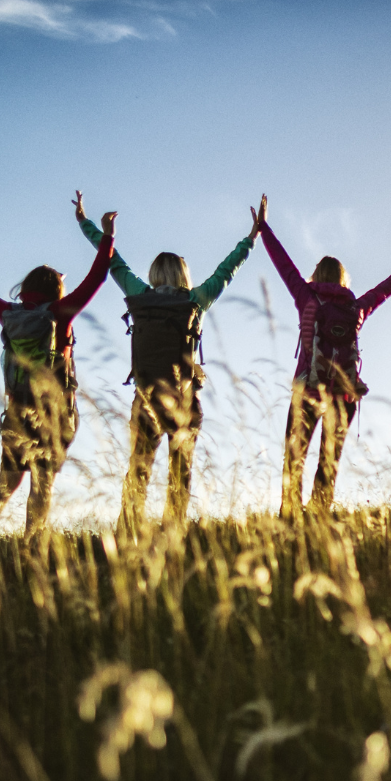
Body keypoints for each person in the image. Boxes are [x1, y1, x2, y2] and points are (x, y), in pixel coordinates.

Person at [74, 191, 261, 533]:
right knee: (180, 471)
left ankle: (127, 530)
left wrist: (90, 226)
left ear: (155, 273)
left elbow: (113, 262)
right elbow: (227, 270)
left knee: (139, 469)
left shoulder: (138, 295)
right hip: (184, 397)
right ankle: (172, 533)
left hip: (145, 395)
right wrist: (250, 238)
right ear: (183, 275)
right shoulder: (196, 300)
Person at [0, 212, 117, 541]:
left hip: (17, 412)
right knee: (42, 485)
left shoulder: (8, 314)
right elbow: (98, 277)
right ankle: (30, 549)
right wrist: (108, 237)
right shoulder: (61, 314)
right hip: (55, 415)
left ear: (26, 289)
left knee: (7, 481)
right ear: (56, 289)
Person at [255, 198, 391, 518]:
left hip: (308, 388)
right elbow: (379, 294)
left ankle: (290, 515)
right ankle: (320, 514)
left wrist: (264, 228)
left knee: (294, 456)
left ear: (316, 275)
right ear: (343, 279)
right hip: (345, 392)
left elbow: (284, 265)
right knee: (329, 457)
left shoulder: (306, 296)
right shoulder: (354, 306)